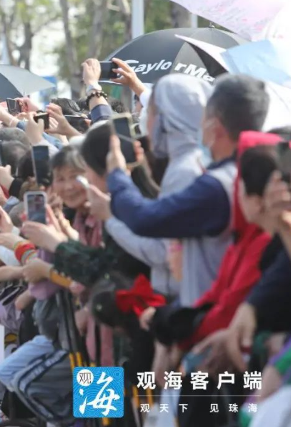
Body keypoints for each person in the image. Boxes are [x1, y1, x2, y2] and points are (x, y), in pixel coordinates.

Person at [106, 74, 270, 305]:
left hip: (207, 315)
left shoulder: (204, 178)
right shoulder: (232, 169)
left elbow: (147, 222)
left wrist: (116, 178)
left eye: (151, 112)